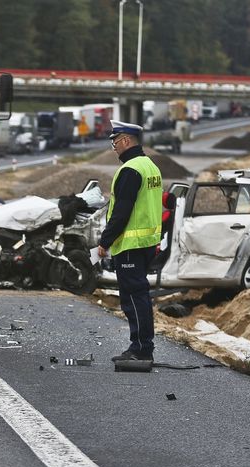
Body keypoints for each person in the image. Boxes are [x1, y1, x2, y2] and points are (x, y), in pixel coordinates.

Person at [97, 120, 163, 365]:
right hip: (146, 244)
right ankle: (142, 346)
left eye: (115, 141)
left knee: (134, 298)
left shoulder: (130, 170)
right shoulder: (150, 166)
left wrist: (105, 240)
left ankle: (141, 349)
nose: (113, 147)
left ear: (126, 140)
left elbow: (121, 212)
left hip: (130, 246)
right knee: (141, 297)